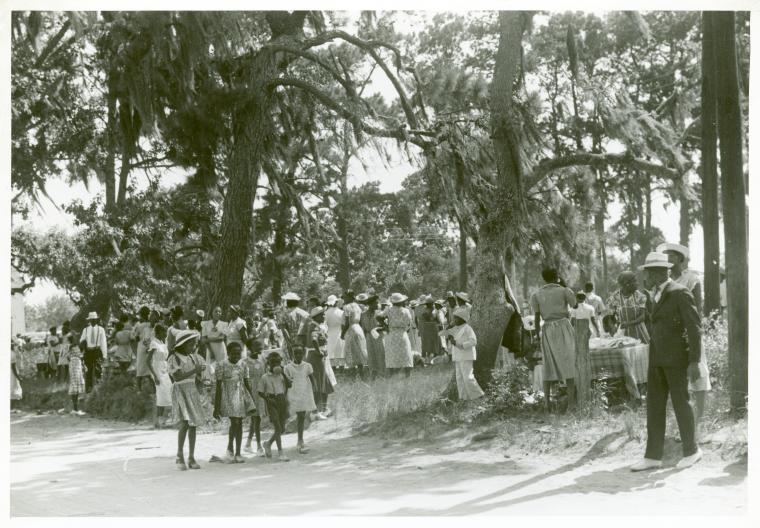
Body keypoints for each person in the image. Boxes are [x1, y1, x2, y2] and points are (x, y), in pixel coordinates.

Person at [631, 252, 703, 471]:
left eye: (648, 273)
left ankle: (692, 451)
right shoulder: (653, 296)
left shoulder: (680, 293)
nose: (645, 277)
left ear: (659, 272)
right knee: (654, 405)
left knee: (681, 403)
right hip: (656, 359)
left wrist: (694, 361)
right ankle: (653, 456)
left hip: (677, 359)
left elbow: (694, 328)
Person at [658, 242, 712, 437]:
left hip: (688, 332)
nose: (668, 261)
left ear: (680, 259)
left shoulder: (692, 279)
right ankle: (684, 425)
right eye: (666, 258)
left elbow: (696, 308)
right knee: (678, 380)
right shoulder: (665, 282)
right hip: (671, 337)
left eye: (671, 257)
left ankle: (700, 422)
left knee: (698, 374)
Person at [531, 267, 578, 412]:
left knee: (548, 365)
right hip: (564, 326)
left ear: (544, 278)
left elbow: (537, 317)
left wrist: (538, 338)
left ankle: (547, 403)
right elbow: (575, 304)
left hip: (547, 329)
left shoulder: (537, 294)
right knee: (569, 361)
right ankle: (570, 403)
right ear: (557, 276)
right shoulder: (564, 291)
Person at [168, 330, 206, 470]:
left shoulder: (192, 358)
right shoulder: (174, 358)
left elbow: (195, 377)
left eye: (195, 344)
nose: (193, 347)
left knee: (193, 424)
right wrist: (194, 371)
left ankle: (191, 456)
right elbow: (177, 377)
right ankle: (179, 455)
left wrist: (200, 382)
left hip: (191, 391)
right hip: (180, 391)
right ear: (182, 345)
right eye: (191, 344)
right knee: (184, 423)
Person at [213, 341, 254, 464]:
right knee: (235, 421)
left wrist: (251, 400)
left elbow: (247, 383)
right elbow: (219, 387)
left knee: (238, 423)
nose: (237, 356)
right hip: (228, 397)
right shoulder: (221, 365)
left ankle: (236, 452)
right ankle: (231, 449)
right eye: (234, 353)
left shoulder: (244, 365)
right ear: (228, 353)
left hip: (240, 396)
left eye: (239, 353)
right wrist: (217, 406)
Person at [299, 306, 333, 419]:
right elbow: (314, 340)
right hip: (315, 357)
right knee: (318, 382)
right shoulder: (314, 326)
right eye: (322, 314)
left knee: (322, 381)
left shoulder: (314, 325)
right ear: (316, 316)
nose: (324, 316)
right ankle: (315, 412)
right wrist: (319, 352)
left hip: (316, 357)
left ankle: (323, 409)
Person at [444, 307, 484, 400]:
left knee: (468, 377)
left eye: (456, 318)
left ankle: (478, 395)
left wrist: (461, 345)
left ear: (462, 319)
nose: (454, 320)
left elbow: (473, 341)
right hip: (457, 356)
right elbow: (445, 332)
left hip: (466, 355)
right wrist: (449, 329)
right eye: (454, 318)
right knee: (459, 378)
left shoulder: (468, 328)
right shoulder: (455, 329)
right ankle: (463, 397)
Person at [284, 347, 317, 455]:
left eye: (300, 353)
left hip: (304, 393)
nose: (298, 355)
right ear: (292, 354)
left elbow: (312, 378)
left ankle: (300, 440)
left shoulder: (307, 366)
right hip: (293, 393)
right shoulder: (288, 367)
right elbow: (286, 382)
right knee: (298, 416)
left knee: (302, 416)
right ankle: (299, 440)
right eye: (295, 353)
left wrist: (316, 389)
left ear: (303, 354)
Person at [259, 352, 290, 462]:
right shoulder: (265, 377)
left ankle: (268, 444)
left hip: (282, 400)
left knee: (281, 429)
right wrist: (268, 399)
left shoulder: (282, 375)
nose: (276, 364)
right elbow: (260, 392)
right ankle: (281, 453)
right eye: (273, 362)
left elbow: (289, 385)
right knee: (277, 427)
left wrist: (284, 373)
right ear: (269, 363)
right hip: (272, 401)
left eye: (278, 362)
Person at [606, 271, 650, 344]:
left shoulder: (640, 296)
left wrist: (628, 323)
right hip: (622, 334)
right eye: (635, 281)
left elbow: (642, 316)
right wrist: (613, 328)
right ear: (627, 284)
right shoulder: (614, 298)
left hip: (639, 333)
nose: (637, 284)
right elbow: (610, 317)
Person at [381, 293, 414, 378]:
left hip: (391, 333)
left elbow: (379, 316)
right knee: (406, 354)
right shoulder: (406, 310)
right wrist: (406, 328)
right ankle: (408, 375)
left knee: (392, 354)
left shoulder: (388, 310)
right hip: (402, 333)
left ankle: (392, 375)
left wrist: (385, 326)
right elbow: (409, 322)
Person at [244, 339, 267, 456]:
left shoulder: (263, 359)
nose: (259, 347)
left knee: (256, 419)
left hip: (261, 392)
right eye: (256, 345)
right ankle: (259, 446)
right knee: (256, 419)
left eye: (260, 345)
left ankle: (248, 444)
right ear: (250, 348)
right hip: (251, 393)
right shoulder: (245, 362)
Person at [147, 324, 172, 429]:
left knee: (169, 392)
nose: (166, 334)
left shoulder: (163, 343)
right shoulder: (154, 343)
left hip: (165, 370)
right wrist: (155, 376)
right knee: (161, 394)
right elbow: (148, 361)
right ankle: (158, 420)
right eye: (164, 332)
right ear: (158, 333)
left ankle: (163, 419)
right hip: (157, 370)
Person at [341, 290, 368, 379]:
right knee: (359, 350)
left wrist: (342, 333)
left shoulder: (347, 307)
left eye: (344, 297)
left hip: (351, 329)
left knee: (351, 351)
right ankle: (362, 375)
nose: (343, 299)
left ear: (349, 297)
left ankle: (353, 377)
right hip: (358, 329)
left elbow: (347, 322)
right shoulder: (358, 306)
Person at [359, 294, 386, 379]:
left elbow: (385, 326)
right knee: (371, 354)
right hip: (368, 336)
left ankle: (382, 374)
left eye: (377, 303)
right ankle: (373, 374)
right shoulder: (363, 314)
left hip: (378, 336)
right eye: (375, 303)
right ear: (370, 304)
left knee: (381, 354)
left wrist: (379, 329)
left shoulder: (380, 313)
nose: (377, 305)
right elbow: (362, 327)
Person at [79, 312, 107, 393]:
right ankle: (89, 388)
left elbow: (103, 342)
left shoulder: (101, 329)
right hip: (88, 352)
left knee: (98, 369)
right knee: (88, 370)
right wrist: (83, 344)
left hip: (97, 351)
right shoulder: (86, 329)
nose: (93, 321)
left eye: (94, 320)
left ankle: (99, 387)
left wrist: (104, 355)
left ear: (96, 320)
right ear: (89, 320)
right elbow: (81, 340)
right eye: (91, 320)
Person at [279, 293, 309, 362]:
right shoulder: (304, 313)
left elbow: (284, 330)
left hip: (290, 339)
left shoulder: (285, 314)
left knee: (291, 361)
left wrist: (289, 343)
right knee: (303, 360)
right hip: (303, 340)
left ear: (288, 302)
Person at [132, 306, 154, 391]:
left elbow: (135, 338)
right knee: (150, 368)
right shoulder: (151, 325)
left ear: (141, 315)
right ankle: (154, 389)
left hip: (141, 347)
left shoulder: (139, 326)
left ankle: (139, 389)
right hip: (150, 346)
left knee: (140, 369)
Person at [324, 295, 345, 368]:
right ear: (336, 302)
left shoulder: (326, 313)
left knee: (331, 350)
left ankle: (333, 368)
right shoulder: (341, 312)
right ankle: (341, 367)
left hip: (330, 333)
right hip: (340, 332)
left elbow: (325, 325)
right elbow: (343, 324)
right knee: (340, 350)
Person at [67, 337, 86, 416]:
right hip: (76, 365)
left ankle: (75, 408)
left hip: (74, 365)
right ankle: (75, 408)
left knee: (75, 385)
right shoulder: (76, 348)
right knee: (76, 385)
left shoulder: (73, 347)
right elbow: (80, 357)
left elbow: (68, 357)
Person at [418, 296, 441, 361]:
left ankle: (430, 357)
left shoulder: (424, 311)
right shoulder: (434, 311)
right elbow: (438, 321)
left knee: (429, 343)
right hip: (431, 328)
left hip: (428, 328)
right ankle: (430, 357)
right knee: (431, 343)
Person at [11, 340, 23, 409]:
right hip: (12, 373)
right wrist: (18, 377)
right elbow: (13, 367)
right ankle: (12, 407)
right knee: (13, 388)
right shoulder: (12, 354)